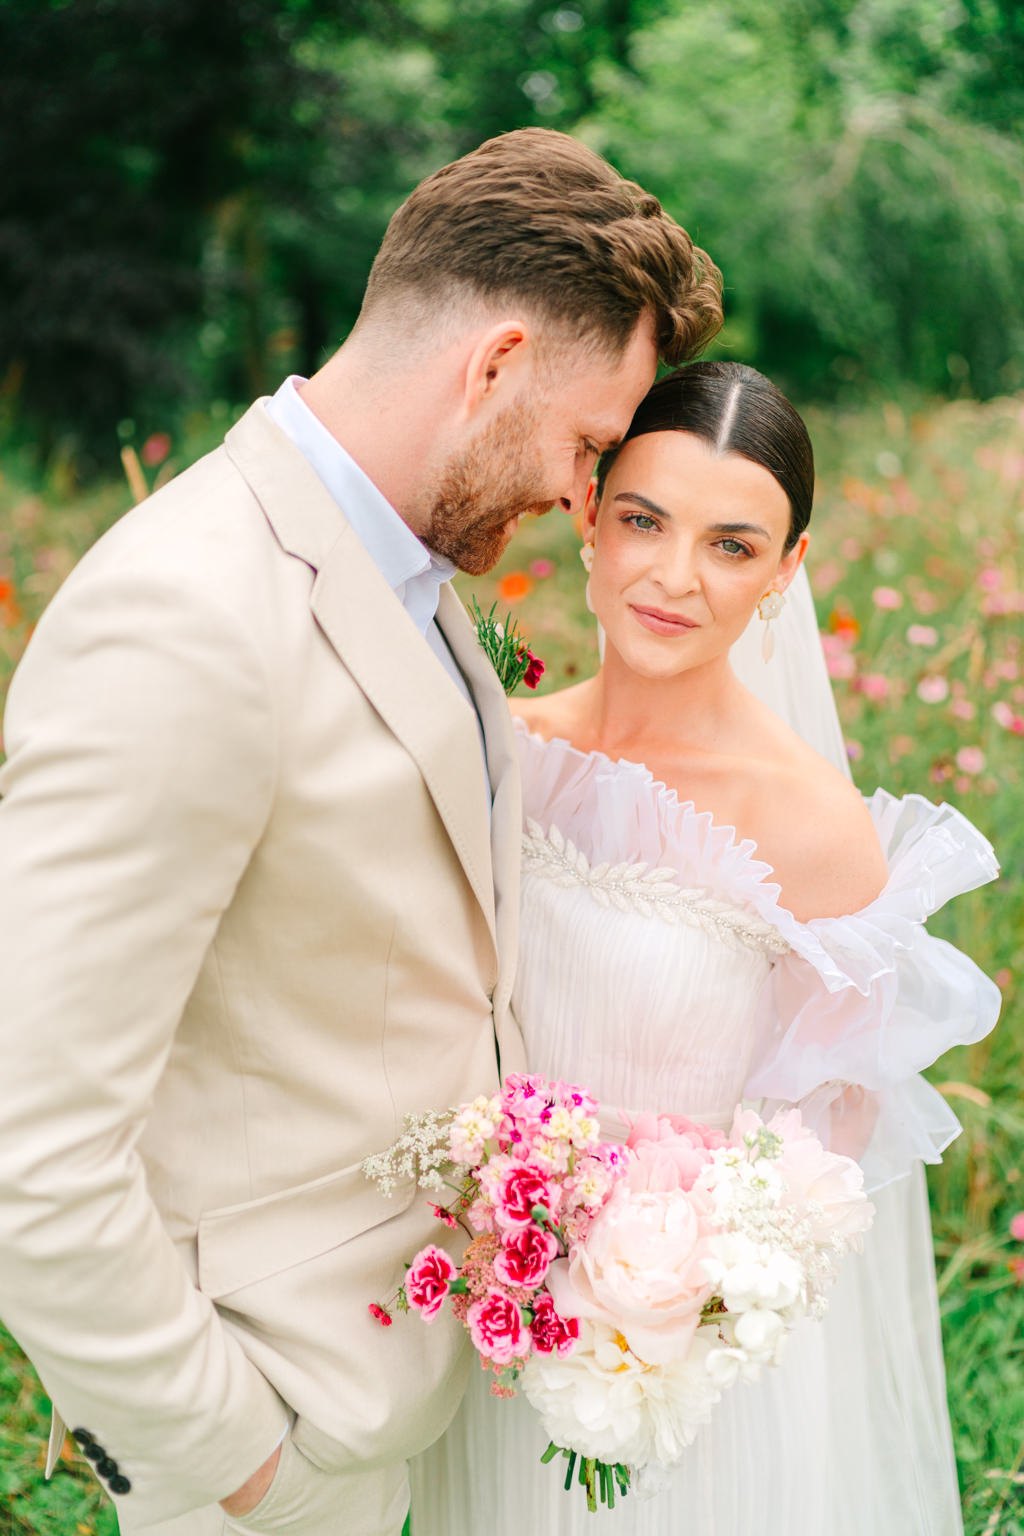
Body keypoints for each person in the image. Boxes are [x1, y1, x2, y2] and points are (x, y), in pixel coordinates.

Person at [0, 130, 723, 1536]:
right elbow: (27, 1139)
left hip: (410, 1405)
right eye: (586, 445)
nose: (580, 498)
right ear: (496, 362)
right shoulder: (189, 611)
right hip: (274, 1454)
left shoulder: (413, 583)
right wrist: (227, 1460)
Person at [410, 360, 1000, 1535]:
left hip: (677, 1373)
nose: (673, 578)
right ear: (586, 514)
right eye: (643, 520)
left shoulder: (812, 832)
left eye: (733, 546)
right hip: (492, 1313)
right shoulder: (496, 747)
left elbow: (819, 1175)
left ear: (786, 572)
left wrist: (660, 1302)